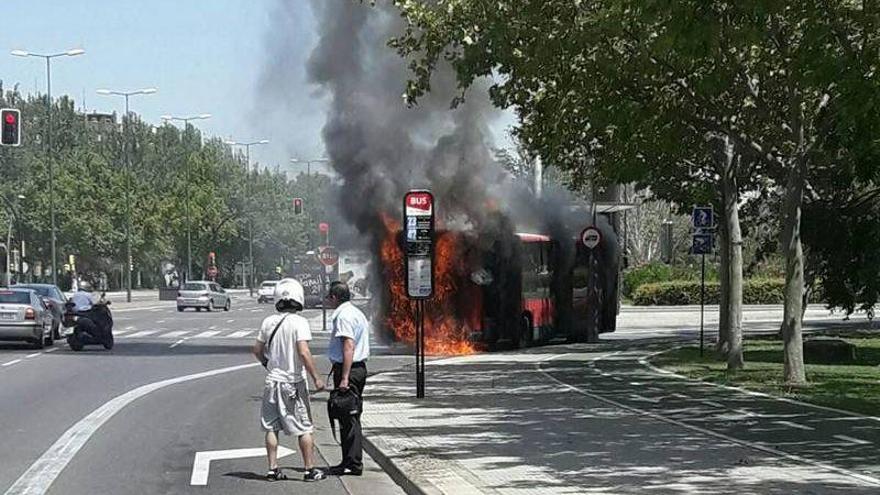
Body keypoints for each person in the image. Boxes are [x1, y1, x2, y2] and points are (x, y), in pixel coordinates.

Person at [251, 278, 327, 482]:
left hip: (272, 382)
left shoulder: (268, 322)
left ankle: (272, 469)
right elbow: (303, 352)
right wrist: (317, 378)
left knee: (271, 426)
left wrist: (268, 364)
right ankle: (309, 470)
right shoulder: (300, 323)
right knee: (304, 426)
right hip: (292, 382)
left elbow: (257, 350)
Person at [325, 281, 371, 476]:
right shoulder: (355, 312)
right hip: (357, 369)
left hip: (350, 371)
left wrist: (344, 377)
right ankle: (349, 461)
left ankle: (352, 463)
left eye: (329, 297)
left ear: (335, 297)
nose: (328, 300)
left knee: (348, 417)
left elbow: (348, 346)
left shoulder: (343, 316)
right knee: (350, 416)